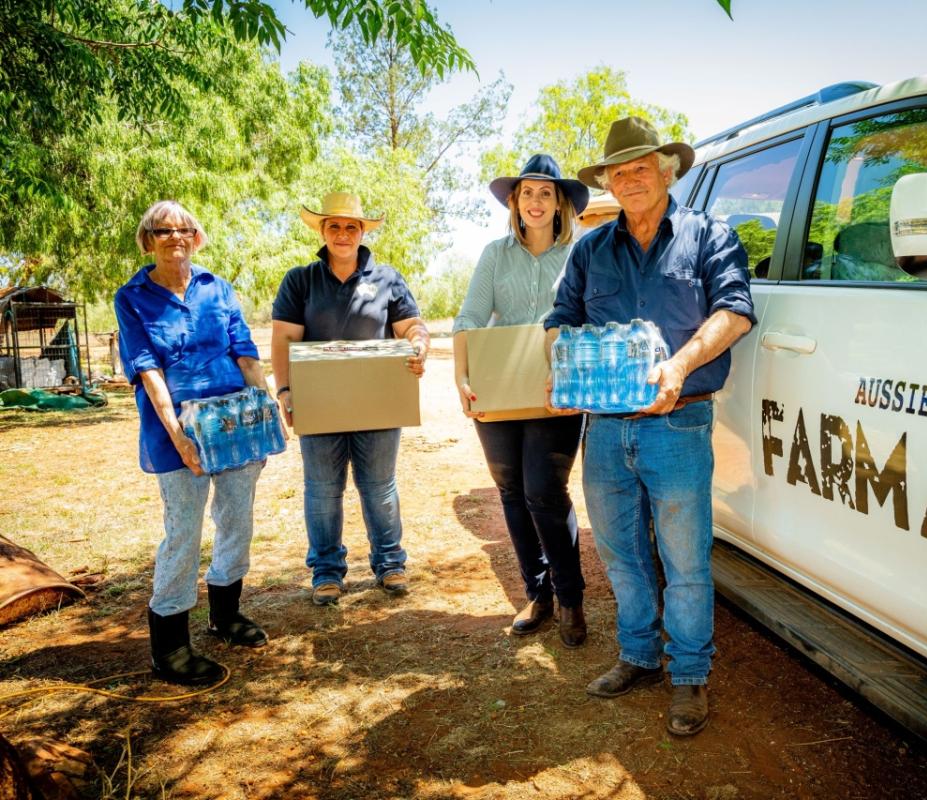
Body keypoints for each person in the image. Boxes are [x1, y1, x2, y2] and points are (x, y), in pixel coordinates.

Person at [544, 117, 756, 736]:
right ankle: (638, 655)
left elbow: (736, 310)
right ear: (607, 181)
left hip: (680, 423)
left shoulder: (708, 235)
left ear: (667, 172)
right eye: (619, 171)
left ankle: (689, 674)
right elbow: (561, 319)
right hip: (605, 430)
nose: (630, 179)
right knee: (621, 552)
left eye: (642, 168)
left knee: (684, 559)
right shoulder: (589, 249)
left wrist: (680, 365)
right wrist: (563, 368)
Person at [115, 200, 273, 686]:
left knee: (236, 520)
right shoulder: (132, 296)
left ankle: (225, 616)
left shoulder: (216, 287)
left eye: (184, 230)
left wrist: (268, 413)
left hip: (234, 426)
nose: (175, 237)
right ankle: (170, 647)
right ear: (148, 240)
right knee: (183, 530)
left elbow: (244, 352)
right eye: (163, 230)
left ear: (197, 238)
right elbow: (148, 371)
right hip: (175, 431)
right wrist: (179, 437)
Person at [453, 155, 591, 647]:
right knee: (511, 491)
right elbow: (469, 318)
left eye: (546, 194)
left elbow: (587, 318)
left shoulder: (580, 253)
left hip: (558, 390)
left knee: (545, 493)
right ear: (515, 201)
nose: (536, 201)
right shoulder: (495, 254)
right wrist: (462, 378)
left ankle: (571, 597)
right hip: (500, 387)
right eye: (527, 192)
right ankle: (538, 593)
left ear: (560, 205)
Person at [271, 192, 429, 606]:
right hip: (318, 403)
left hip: (376, 402)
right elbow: (285, 339)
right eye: (334, 226)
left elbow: (412, 327)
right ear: (323, 231)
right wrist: (285, 390)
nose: (343, 234)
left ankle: (390, 564)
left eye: (351, 227)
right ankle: (326, 572)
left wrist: (419, 345)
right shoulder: (299, 280)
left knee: (379, 487)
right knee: (322, 489)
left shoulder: (388, 278)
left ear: (362, 233)